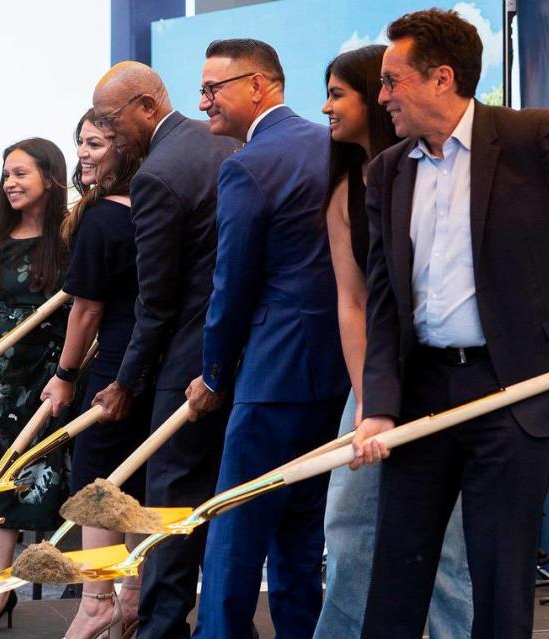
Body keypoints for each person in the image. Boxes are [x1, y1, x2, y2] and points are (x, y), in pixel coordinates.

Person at [350, 9, 549, 638]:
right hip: (422, 394)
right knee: (396, 569)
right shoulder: (389, 171)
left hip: (515, 390)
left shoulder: (530, 139)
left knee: (499, 577)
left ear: (441, 78)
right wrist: (381, 406)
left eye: (393, 81)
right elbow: (385, 299)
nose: (381, 95)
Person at [185, 39, 348, 639]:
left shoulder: (247, 167)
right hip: (336, 374)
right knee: (303, 527)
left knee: (235, 524)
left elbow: (231, 288)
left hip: (273, 373)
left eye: (212, 89)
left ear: (259, 86)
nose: (203, 102)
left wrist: (214, 375)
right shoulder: (333, 147)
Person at [91, 62, 239, 639]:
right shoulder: (223, 142)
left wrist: (126, 382)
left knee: (172, 496)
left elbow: (156, 302)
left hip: (188, 360)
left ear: (147, 107)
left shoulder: (157, 175)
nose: (106, 131)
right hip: (248, 352)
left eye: (110, 118)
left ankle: (159, 627)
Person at [40, 110, 149, 639]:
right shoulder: (155, 206)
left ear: (124, 150)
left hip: (115, 362)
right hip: (157, 360)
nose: (84, 153)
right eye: (80, 142)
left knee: (98, 483)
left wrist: (64, 375)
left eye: (98, 143)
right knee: (140, 480)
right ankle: (131, 594)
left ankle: (96, 600)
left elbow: (86, 311)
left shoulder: (103, 217)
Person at [0, 138, 72, 634]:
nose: (9, 183)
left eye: (20, 173)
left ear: (50, 178)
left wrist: (68, 371)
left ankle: (88, 589)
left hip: (62, 372)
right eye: (7, 174)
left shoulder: (71, 237)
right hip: (7, 376)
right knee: (2, 480)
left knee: (65, 474)